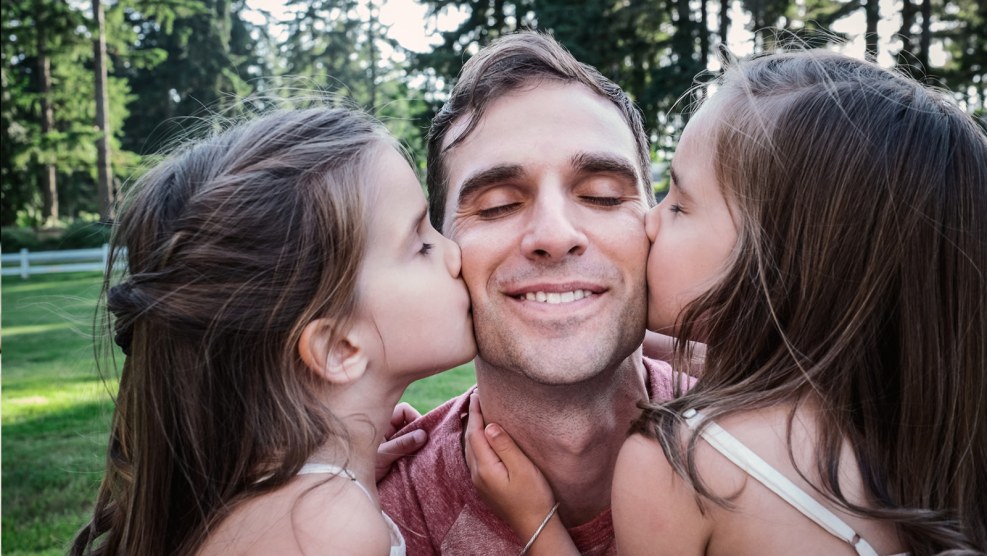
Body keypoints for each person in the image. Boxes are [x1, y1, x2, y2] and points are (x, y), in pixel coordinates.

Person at [467, 49, 987, 554]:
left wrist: (535, 522)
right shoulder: (928, 429)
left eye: (680, 204)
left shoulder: (681, 464)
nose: (650, 220)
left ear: (776, 262)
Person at [68, 106, 477, 555]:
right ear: (337, 346)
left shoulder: (296, 508)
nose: (453, 253)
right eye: (420, 244)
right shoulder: (323, 530)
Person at [377, 31, 679, 555]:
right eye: (495, 205)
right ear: (442, 252)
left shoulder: (784, 452)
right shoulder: (371, 523)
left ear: (655, 226)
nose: (555, 235)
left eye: (603, 196)